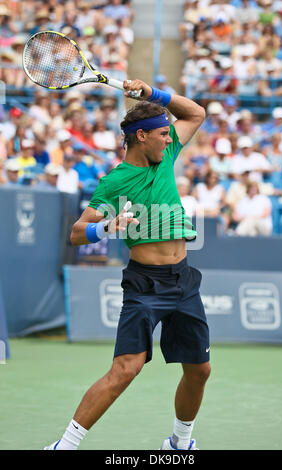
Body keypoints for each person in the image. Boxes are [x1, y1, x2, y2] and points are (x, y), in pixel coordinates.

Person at [44, 78, 209, 451]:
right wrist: (106, 226)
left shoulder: (166, 155)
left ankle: (179, 443)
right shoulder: (114, 183)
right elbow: (76, 233)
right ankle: (64, 446)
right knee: (125, 370)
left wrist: (151, 93)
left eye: (170, 134)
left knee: (200, 370)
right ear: (141, 138)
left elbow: (196, 112)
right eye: (163, 134)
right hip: (145, 284)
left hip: (183, 280)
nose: (170, 139)